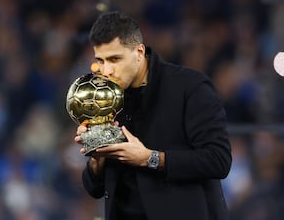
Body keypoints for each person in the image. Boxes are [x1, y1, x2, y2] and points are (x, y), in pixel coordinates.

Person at [74, 11, 232, 220]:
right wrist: (96, 157)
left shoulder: (189, 87)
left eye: (115, 59)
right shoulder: (108, 101)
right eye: (101, 61)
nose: (107, 70)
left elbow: (218, 160)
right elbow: (95, 188)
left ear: (139, 52)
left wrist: (151, 158)